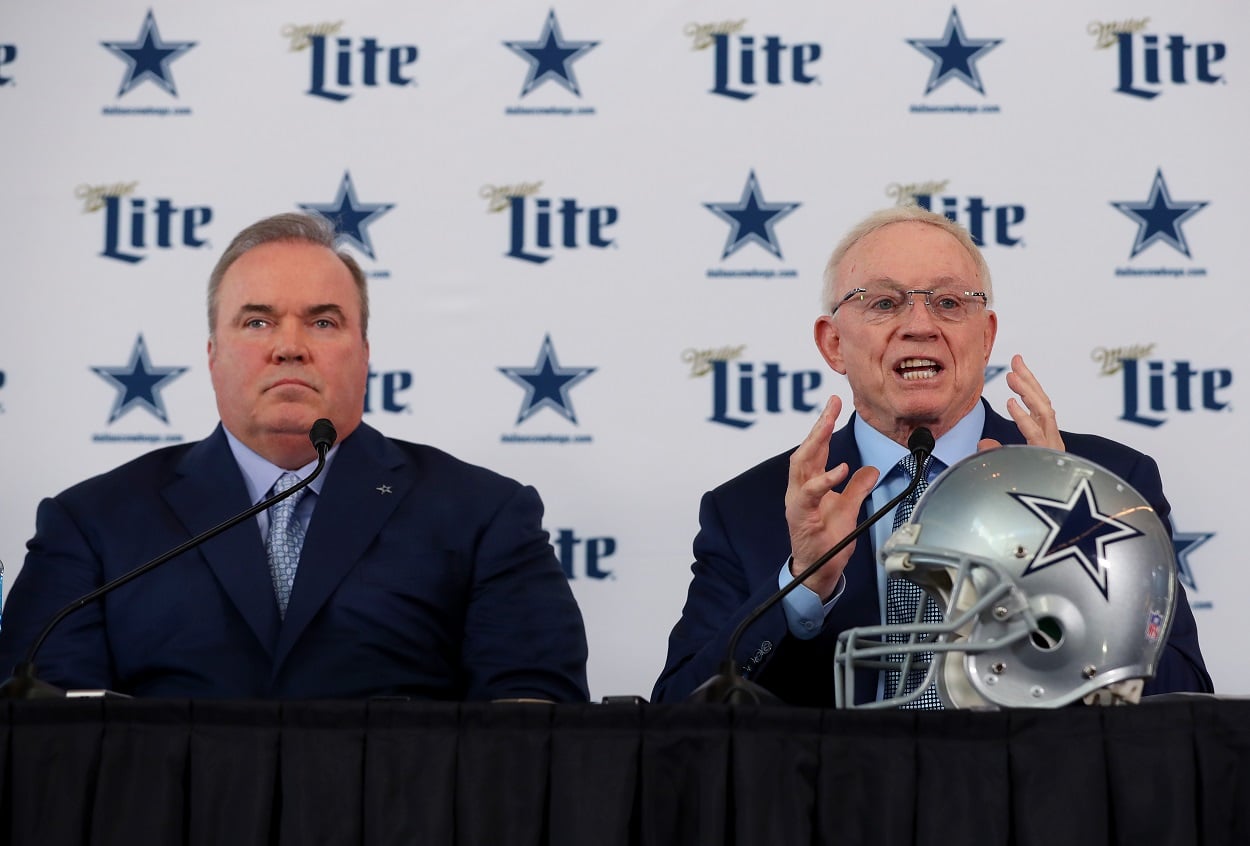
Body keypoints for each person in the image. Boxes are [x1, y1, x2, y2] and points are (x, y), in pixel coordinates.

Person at [0, 212, 589, 701]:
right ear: (212, 354)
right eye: (257, 321)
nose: (289, 347)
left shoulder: (483, 515)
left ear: (364, 354)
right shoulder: (92, 523)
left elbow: (534, 732)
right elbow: (44, 739)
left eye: (323, 322)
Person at [652, 204, 1212, 706]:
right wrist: (802, 583)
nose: (919, 326)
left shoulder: (1104, 483)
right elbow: (680, 713)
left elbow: (1183, 700)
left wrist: (1064, 561)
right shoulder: (747, 509)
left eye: (948, 302)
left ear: (986, 336)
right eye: (884, 303)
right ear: (833, 343)